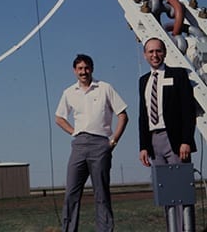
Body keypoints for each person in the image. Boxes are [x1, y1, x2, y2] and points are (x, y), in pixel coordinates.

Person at [55, 53, 128, 232]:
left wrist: (113, 141)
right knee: (71, 192)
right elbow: (59, 118)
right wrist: (74, 132)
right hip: (79, 144)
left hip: (100, 145)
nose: (83, 72)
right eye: (80, 69)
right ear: (74, 71)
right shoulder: (69, 92)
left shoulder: (104, 88)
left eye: (86, 68)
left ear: (92, 69)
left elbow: (123, 116)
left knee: (101, 193)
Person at [138, 37, 197, 227]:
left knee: (181, 191)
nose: (155, 55)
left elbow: (188, 110)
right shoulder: (143, 81)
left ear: (164, 53)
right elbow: (143, 116)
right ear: (145, 55)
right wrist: (144, 146)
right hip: (154, 142)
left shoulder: (178, 75)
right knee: (165, 193)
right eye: (150, 52)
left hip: (176, 142)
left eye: (158, 51)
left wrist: (186, 140)